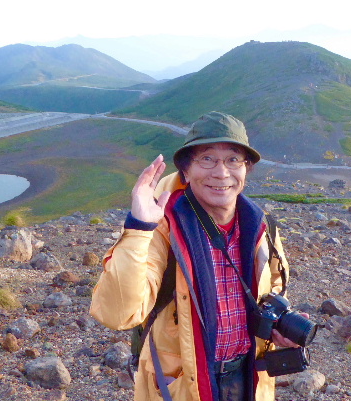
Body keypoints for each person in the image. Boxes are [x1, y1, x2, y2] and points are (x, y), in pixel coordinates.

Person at [90, 111, 298, 401]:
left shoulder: (262, 227)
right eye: (207, 159)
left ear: (246, 170)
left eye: (233, 159)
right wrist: (139, 228)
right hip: (182, 385)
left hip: (249, 378)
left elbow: (273, 287)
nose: (221, 173)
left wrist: (277, 327)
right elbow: (118, 314)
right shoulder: (163, 228)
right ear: (185, 172)